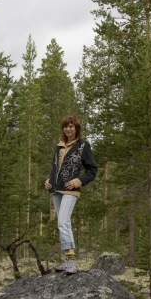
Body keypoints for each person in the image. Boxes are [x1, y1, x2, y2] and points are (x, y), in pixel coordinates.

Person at [45, 115, 97, 274]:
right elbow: (56, 168)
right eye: (66, 127)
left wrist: (78, 181)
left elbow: (92, 170)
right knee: (62, 224)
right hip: (56, 189)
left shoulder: (83, 146)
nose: (68, 129)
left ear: (76, 128)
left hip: (70, 190)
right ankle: (67, 260)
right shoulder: (58, 146)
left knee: (63, 221)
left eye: (71, 126)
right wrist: (48, 180)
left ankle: (72, 261)